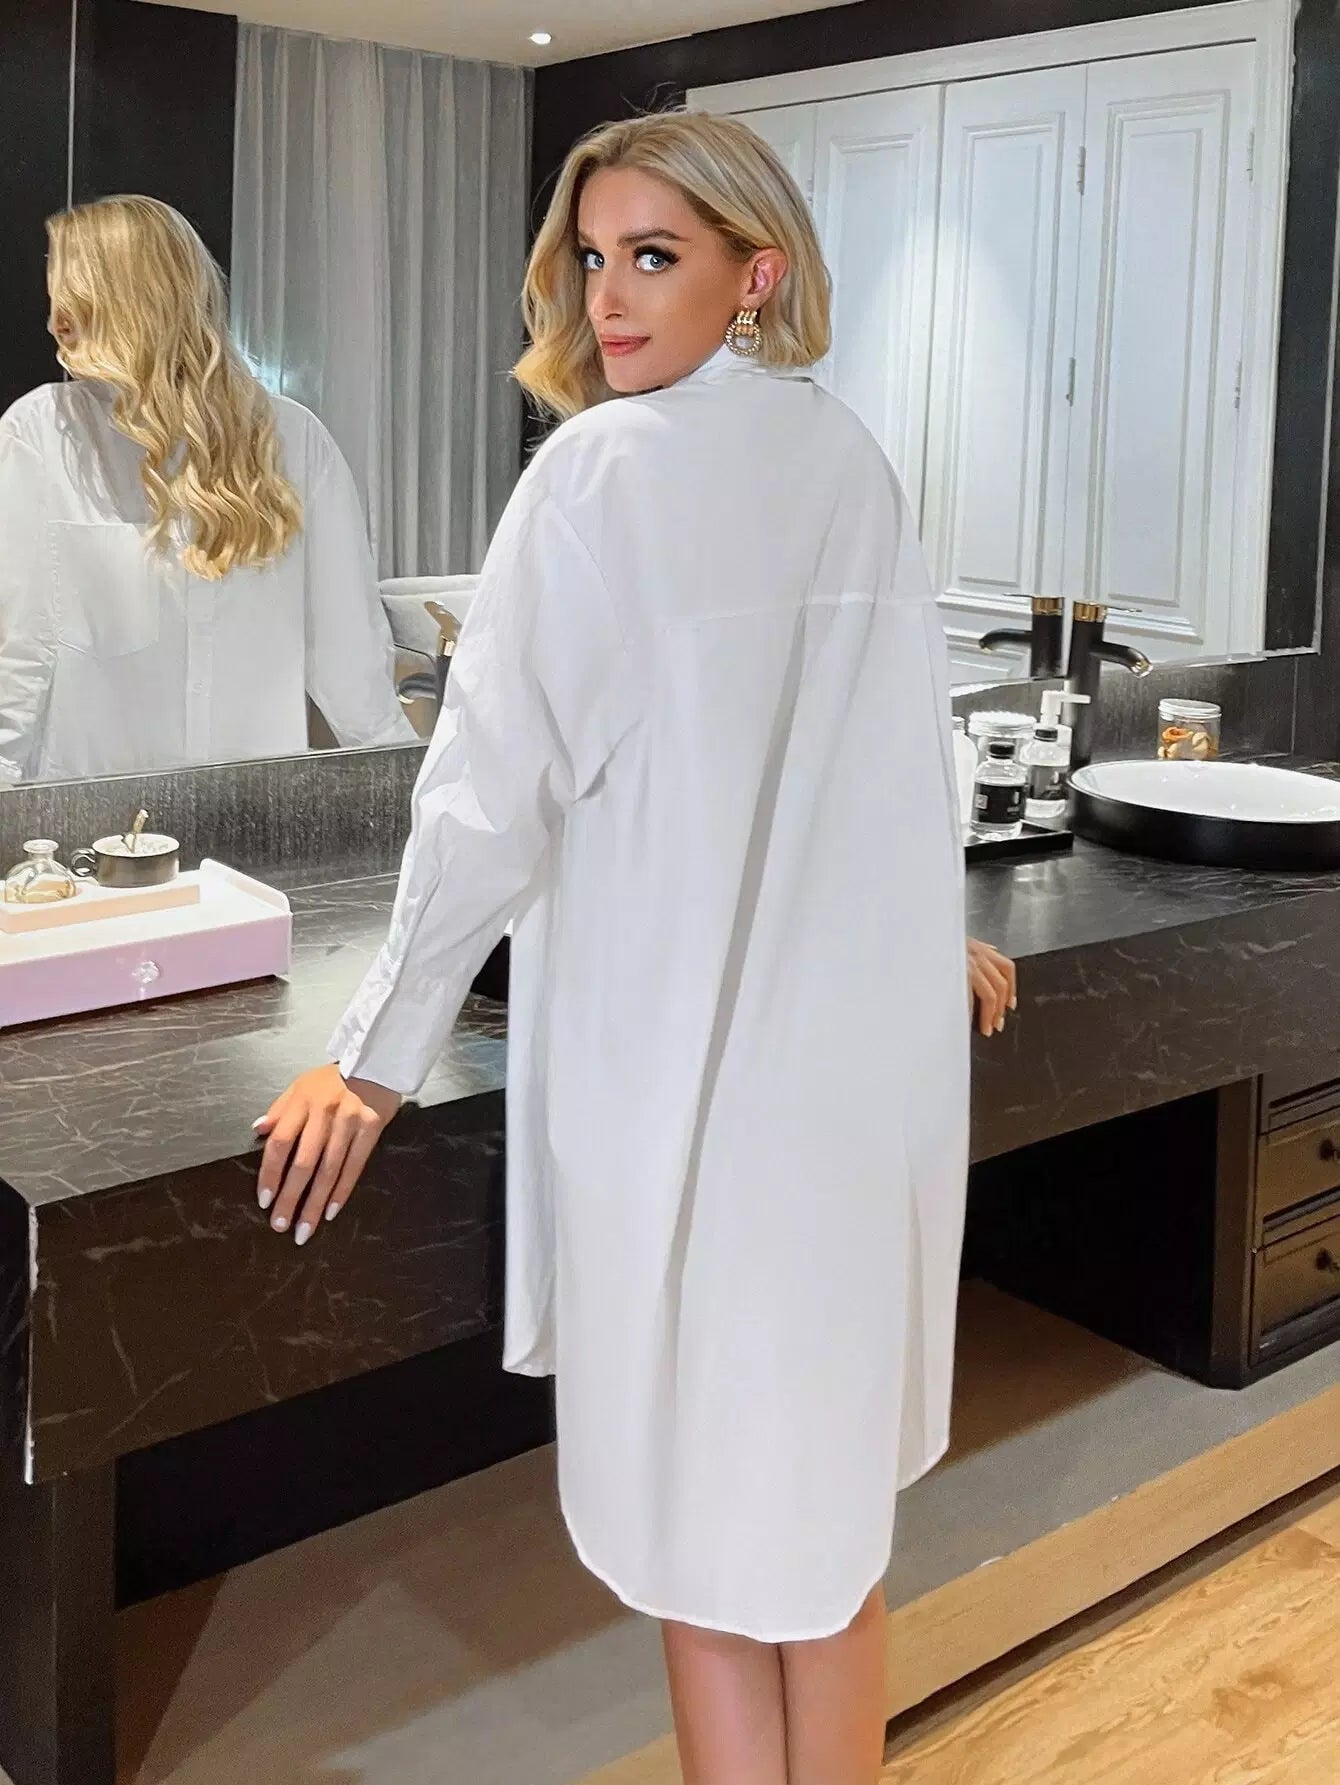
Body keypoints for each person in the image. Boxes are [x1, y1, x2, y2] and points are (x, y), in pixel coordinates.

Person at [256, 114, 1018, 1785]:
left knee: (696, 1533)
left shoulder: (596, 478)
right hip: (847, 1098)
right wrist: (924, 943)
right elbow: (903, 762)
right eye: (593, 256)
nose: (608, 296)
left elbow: (484, 800)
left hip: (683, 1097)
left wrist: (372, 1060)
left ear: (757, 273)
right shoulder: (850, 462)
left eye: (653, 256)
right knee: (823, 1524)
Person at [0, 194, 413, 784]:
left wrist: (402, 799)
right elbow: (18, 652)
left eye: (73, 299)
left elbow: (351, 663)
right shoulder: (43, 433)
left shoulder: (293, 441)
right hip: (92, 824)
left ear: (141, 299)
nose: (55, 323)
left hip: (255, 818)